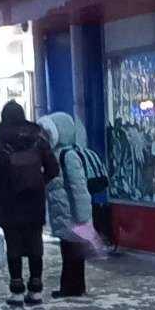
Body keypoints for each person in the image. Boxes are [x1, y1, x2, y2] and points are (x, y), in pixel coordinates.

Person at [0, 101, 57, 306]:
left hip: (9, 204)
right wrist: (39, 182)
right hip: (34, 202)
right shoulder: (38, 139)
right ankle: (36, 291)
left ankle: (16, 291)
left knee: (13, 246)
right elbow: (53, 168)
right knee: (35, 245)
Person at [39, 109, 104, 299]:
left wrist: (83, 218)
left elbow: (79, 188)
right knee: (71, 253)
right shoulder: (57, 154)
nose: (44, 136)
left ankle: (72, 288)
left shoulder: (68, 155)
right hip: (65, 214)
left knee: (72, 254)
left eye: (48, 132)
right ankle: (73, 288)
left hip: (72, 215)